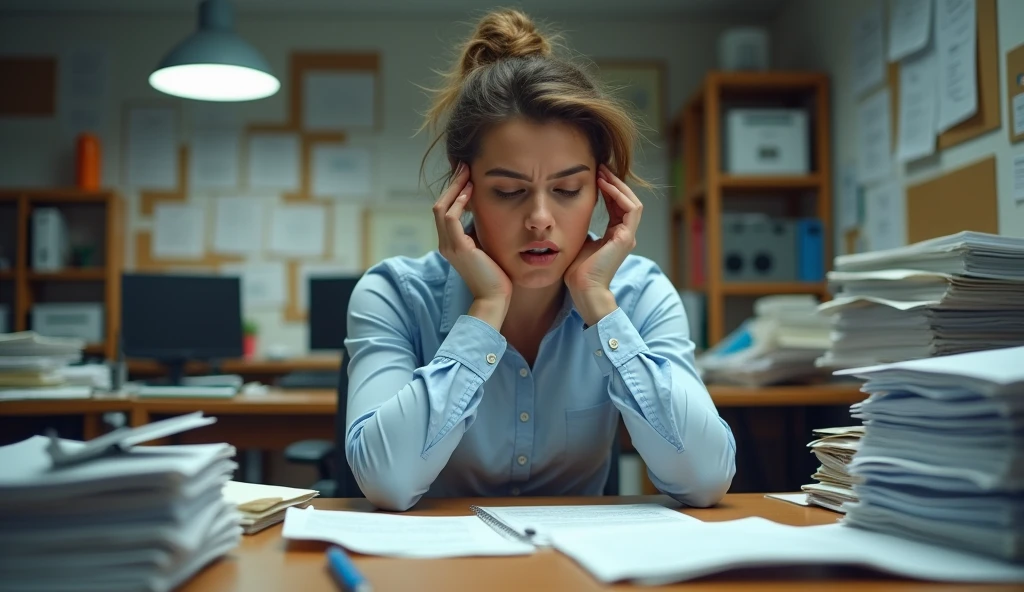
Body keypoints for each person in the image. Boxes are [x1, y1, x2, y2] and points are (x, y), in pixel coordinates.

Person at [344, 9, 736, 511]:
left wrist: (597, 301)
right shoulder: (394, 294)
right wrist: (486, 309)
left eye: (568, 189)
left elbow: (704, 480)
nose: (540, 219)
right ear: (463, 190)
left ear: (600, 189)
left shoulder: (639, 292)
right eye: (509, 191)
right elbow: (387, 483)